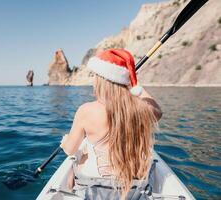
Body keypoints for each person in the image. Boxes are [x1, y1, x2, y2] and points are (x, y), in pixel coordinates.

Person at [60, 49, 162, 200]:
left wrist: (65, 142)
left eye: (95, 75)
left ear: (101, 80)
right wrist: (134, 83)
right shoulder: (141, 110)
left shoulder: (86, 111)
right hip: (131, 188)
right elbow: (157, 111)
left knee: (79, 160)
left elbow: (70, 150)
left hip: (95, 187)